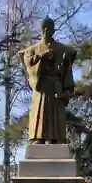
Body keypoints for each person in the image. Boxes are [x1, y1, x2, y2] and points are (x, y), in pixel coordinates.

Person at [19, 16, 77, 144]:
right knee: (40, 112)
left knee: (56, 116)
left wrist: (64, 63)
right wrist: (41, 57)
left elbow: (67, 65)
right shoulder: (32, 50)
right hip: (41, 87)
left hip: (56, 87)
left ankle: (55, 139)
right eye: (46, 29)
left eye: (51, 30)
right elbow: (29, 64)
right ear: (43, 30)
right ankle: (39, 137)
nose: (49, 32)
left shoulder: (62, 48)